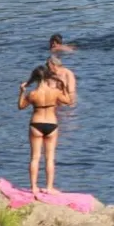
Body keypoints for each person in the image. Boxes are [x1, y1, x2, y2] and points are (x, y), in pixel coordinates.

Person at [18, 66, 73, 194]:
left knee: (35, 158)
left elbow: (21, 106)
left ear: (35, 78)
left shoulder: (32, 94)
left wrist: (21, 91)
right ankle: (49, 187)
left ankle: (34, 187)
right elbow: (68, 101)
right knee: (49, 158)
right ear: (47, 76)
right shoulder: (55, 92)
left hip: (36, 124)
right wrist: (64, 87)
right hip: (51, 124)